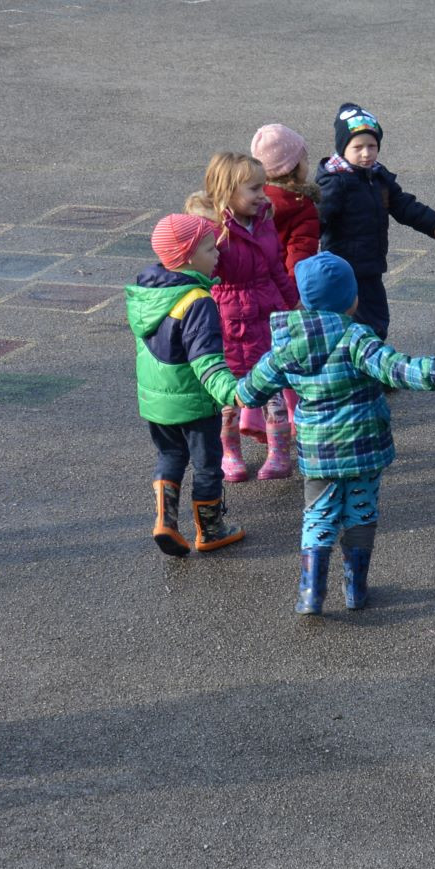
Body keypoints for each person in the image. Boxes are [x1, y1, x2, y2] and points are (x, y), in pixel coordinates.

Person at [234, 253, 435, 617]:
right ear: (351, 299)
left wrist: (230, 391)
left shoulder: (287, 345)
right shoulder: (356, 337)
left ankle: (311, 592)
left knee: (318, 515)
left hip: (318, 452)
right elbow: (395, 368)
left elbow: (250, 391)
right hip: (363, 447)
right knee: (360, 511)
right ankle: (355, 588)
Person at [129, 213, 247, 557]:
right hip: (193, 402)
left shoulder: (147, 292)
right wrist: (231, 392)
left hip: (156, 402)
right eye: (209, 248)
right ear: (187, 257)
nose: (218, 254)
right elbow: (205, 359)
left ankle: (165, 521)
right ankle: (210, 530)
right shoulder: (197, 300)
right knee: (207, 464)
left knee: (170, 455)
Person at [191, 151, 297, 484]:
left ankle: (279, 454)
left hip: (267, 315)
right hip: (229, 320)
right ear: (227, 189)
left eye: (262, 187)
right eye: (254, 189)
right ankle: (230, 454)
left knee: (274, 389)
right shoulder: (212, 229)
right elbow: (203, 275)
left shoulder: (264, 220)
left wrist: (293, 302)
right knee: (229, 397)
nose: (263, 195)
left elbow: (276, 266)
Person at [317, 102, 435, 340]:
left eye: (372, 146)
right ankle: (360, 359)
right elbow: (316, 221)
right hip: (344, 269)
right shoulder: (336, 183)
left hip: (371, 265)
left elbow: (404, 205)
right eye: (358, 147)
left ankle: (364, 356)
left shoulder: (377, 176)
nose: (366, 153)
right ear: (343, 148)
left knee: (376, 320)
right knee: (360, 325)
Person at [252, 123, 319, 277]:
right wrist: (294, 288)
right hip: (283, 283)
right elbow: (300, 255)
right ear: (292, 167)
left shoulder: (252, 199)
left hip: (255, 281)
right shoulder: (300, 205)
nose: (308, 164)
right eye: (304, 159)